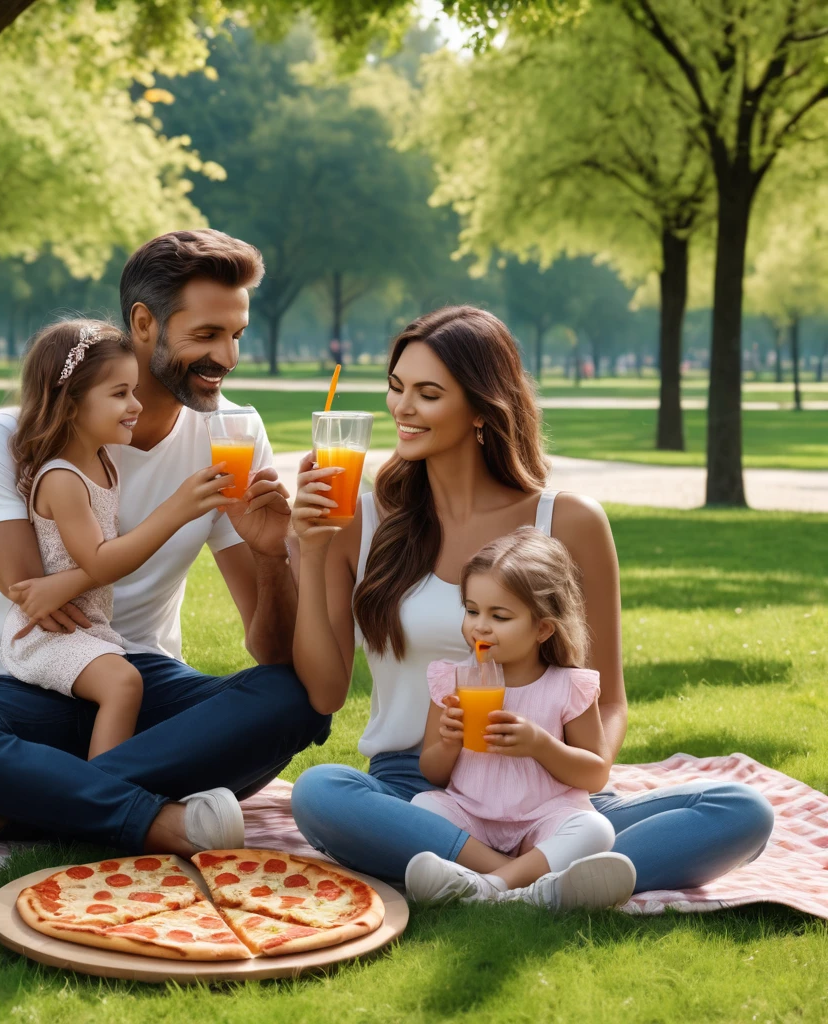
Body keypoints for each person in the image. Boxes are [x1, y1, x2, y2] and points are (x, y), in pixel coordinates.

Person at [0, 230, 330, 864]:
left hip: (139, 681)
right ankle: (160, 822)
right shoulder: (2, 442)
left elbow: (270, 647)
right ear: (143, 322)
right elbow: (42, 604)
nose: (229, 356)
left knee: (291, 697)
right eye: (208, 334)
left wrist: (272, 556)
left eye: (237, 334)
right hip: (6, 689)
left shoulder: (233, 434)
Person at [289, 305, 773, 910]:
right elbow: (325, 692)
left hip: (550, 790)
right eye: (396, 388)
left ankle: (492, 883)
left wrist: (572, 766)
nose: (401, 409)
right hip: (422, 789)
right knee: (320, 792)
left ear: (482, 409)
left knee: (740, 809)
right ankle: (530, 885)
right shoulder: (360, 516)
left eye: (428, 394)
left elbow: (610, 699)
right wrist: (309, 554)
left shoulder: (567, 522)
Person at [0, 318, 233, 759]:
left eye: (134, 390)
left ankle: (104, 782)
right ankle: (104, 795)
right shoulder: (62, 479)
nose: (137, 405)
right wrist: (177, 508)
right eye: (120, 394)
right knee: (125, 684)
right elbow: (102, 562)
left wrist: (60, 585)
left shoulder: (103, 463)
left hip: (92, 632)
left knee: (140, 683)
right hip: (47, 638)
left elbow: (89, 566)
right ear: (70, 405)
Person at [405, 528, 632, 907]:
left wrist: (540, 744)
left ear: (542, 628)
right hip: (471, 817)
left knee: (594, 828)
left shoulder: (568, 686)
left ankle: (489, 886)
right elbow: (433, 773)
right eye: (472, 610)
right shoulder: (452, 679)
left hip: (545, 819)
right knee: (422, 809)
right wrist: (448, 743)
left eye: (500, 616)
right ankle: (525, 887)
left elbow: (595, 774)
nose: (480, 626)